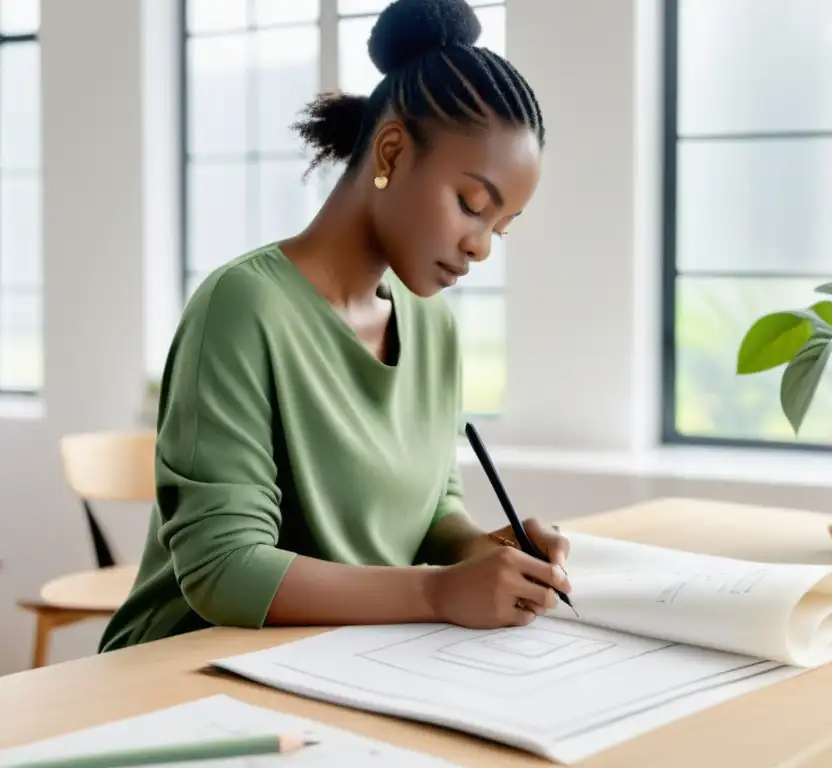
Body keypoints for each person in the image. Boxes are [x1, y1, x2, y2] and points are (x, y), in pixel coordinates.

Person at [98, 0, 570, 652]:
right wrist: (437, 593)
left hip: (348, 661)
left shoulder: (433, 327)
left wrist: (481, 551)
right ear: (393, 151)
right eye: (471, 205)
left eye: (500, 227)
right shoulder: (242, 308)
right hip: (185, 673)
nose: (481, 247)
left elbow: (429, 508)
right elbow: (223, 571)